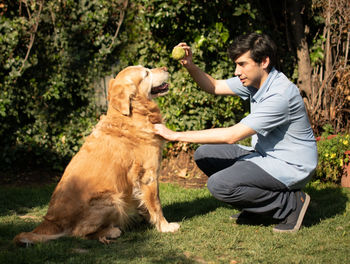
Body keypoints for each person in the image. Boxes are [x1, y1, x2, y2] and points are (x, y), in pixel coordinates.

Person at [154, 33, 318, 233]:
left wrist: (176, 135)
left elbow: (232, 135)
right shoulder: (255, 83)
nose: (236, 71)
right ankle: (257, 208)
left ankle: (291, 203)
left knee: (219, 185)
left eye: (242, 64)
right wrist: (190, 65)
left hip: (290, 166)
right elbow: (214, 86)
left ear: (264, 61)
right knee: (205, 154)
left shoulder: (280, 95)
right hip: (265, 156)